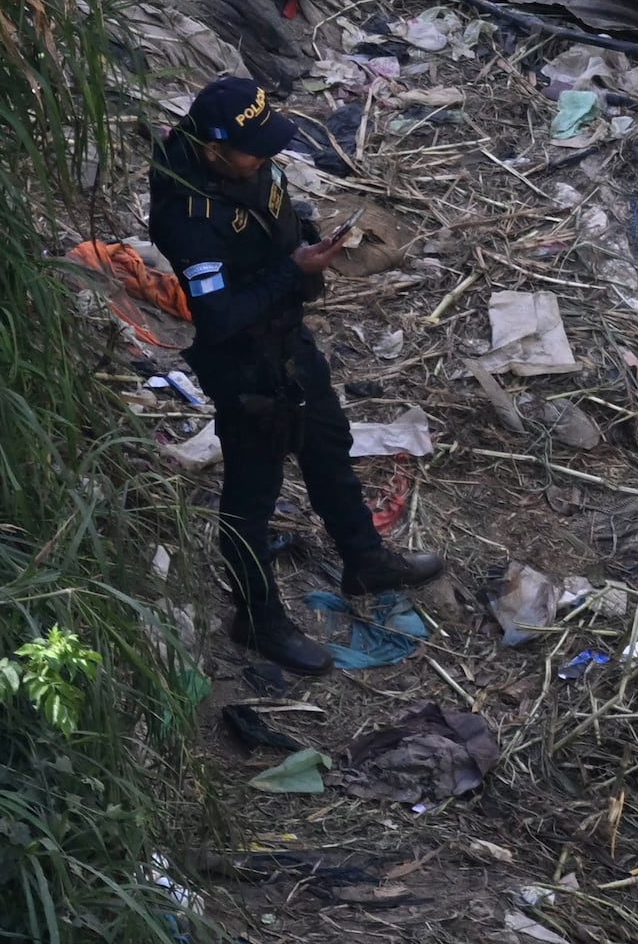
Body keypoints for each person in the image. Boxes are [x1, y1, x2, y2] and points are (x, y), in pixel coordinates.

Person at [145, 71, 442, 671]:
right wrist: (294, 268)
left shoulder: (249, 163)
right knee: (251, 497)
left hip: (286, 339)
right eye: (255, 151)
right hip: (243, 368)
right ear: (213, 151)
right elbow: (218, 314)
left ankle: (365, 558)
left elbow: (276, 216)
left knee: (329, 444)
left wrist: (314, 242)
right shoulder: (188, 212)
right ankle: (258, 621)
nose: (267, 157)